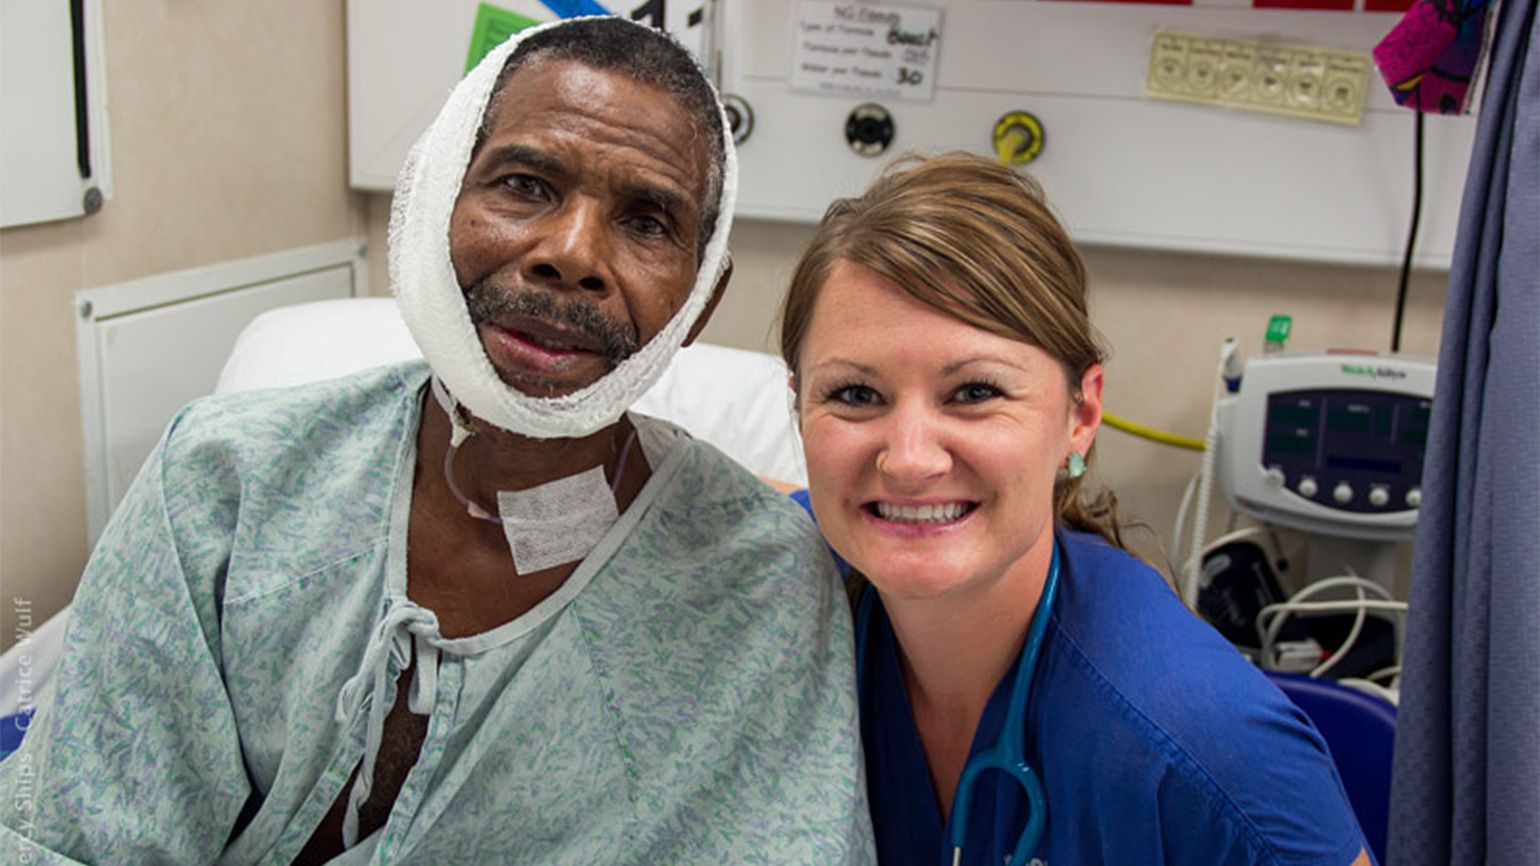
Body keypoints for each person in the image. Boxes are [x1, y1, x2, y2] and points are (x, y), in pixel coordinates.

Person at [0, 17, 873, 865]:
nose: (571, 254)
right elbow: (69, 837)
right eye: (525, 184)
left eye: (647, 221)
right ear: (430, 199)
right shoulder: (224, 484)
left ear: (700, 303)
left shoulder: (759, 583)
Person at [780, 152, 1372, 865]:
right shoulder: (795, 585)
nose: (909, 460)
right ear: (798, 406)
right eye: (854, 395)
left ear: (1081, 412)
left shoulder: (1200, 743)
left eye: (974, 393)